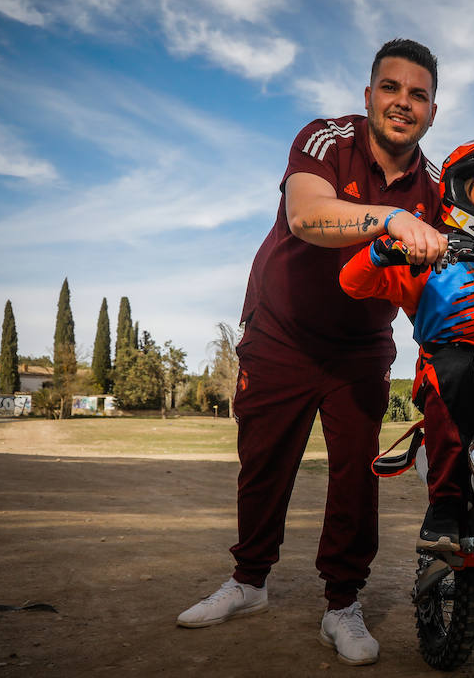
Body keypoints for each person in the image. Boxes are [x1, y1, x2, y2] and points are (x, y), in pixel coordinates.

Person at [176, 38, 449, 667]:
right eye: (391, 88)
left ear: (433, 111)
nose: (402, 103)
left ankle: (342, 606)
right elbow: (305, 215)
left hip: (360, 346)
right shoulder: (327, 139)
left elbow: (443, 272)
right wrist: (388, 219)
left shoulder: (435, 184)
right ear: (368, 96)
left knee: (356, 476)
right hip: (282, 330)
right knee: (264, 461)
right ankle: (248, 583)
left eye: (418, 95)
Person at [338, 132, 474, 552]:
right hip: (452, 366)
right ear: (461, 194)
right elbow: (351, 283)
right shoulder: (430, 256)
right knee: (453, 369)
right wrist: (383, 250)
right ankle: (445, 507)